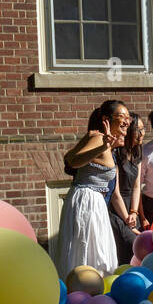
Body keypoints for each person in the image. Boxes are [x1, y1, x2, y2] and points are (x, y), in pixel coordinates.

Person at [58, 100, 131, 275]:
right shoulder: (98, 138)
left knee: (99, 253)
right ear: (107, 119)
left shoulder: (108, 146)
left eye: (128, 117)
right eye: (121, 116)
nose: (127, 121)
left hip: (96, 203)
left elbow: (115, 194)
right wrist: (102, 146)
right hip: (86, 200)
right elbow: (73, 161)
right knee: (86, 252)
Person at [110, 117, 146, 262]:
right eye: (139, 129)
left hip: (131, 207)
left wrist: (134, 212)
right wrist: (127, 219)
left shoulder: (137, 152)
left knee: (140, 246)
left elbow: (137, 186)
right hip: (117, 208)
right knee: (129, 244)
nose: (142, 133)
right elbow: (114, 192)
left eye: (144, 129)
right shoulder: (117, 154)